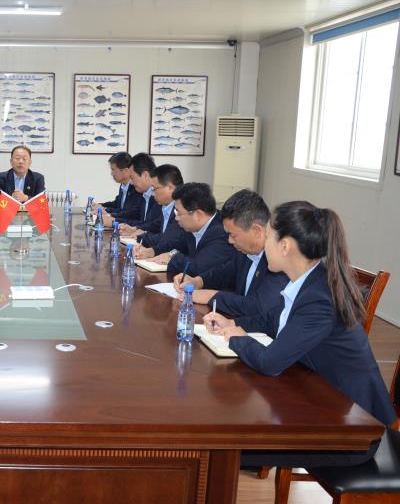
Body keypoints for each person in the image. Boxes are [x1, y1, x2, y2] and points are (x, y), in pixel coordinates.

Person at [204, 201, 394, 460]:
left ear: (285, 246)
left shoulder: (319, 298)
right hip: (320, 399)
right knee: (225, 437)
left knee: (224, 449)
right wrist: (233, 325)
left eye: (268, 238)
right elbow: (273, 320)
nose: (264, 245)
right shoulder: (309, 281)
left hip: (352, 427)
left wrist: (236, 339)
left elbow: (269, 363)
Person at [172, 189, 288, 317]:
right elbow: (225, 272)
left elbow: (257, 306)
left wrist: (211, 296)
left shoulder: (278, 263)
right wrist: (198, 281)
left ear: (256, 231)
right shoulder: (245, 251)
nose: (229, 240)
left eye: (233, 235)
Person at [145, 182, 234, 275]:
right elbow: (178, 244)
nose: (176, 218)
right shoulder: (192, 227)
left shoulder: (222, 232)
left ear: (198, 214)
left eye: (179, 213)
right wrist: (153, 251)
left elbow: (199, 267)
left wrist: (172, 258)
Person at [129, 164, 185, 257]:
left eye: (154, 189)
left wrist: (144, 238)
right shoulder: (166, 206)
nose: (152, 194)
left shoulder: (183, 209)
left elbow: (168, 240)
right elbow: (155, 225)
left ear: (170, 187)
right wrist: (136, 230)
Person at [103, 152, 160, 229]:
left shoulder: (159, 197)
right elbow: (137, 215)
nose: (131, 183)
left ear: (145, 175)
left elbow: (151, 226)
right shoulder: (146, 193)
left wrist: (114, 221)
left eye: (132, 178)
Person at [95, 152, 142, 217]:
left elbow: (131, 213)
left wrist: (108, 213)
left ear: (126, 171)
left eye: (113, 170)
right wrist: (100, 206)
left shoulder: (137, 188)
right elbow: (117, 204)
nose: (111, 174)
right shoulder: (123, 185)